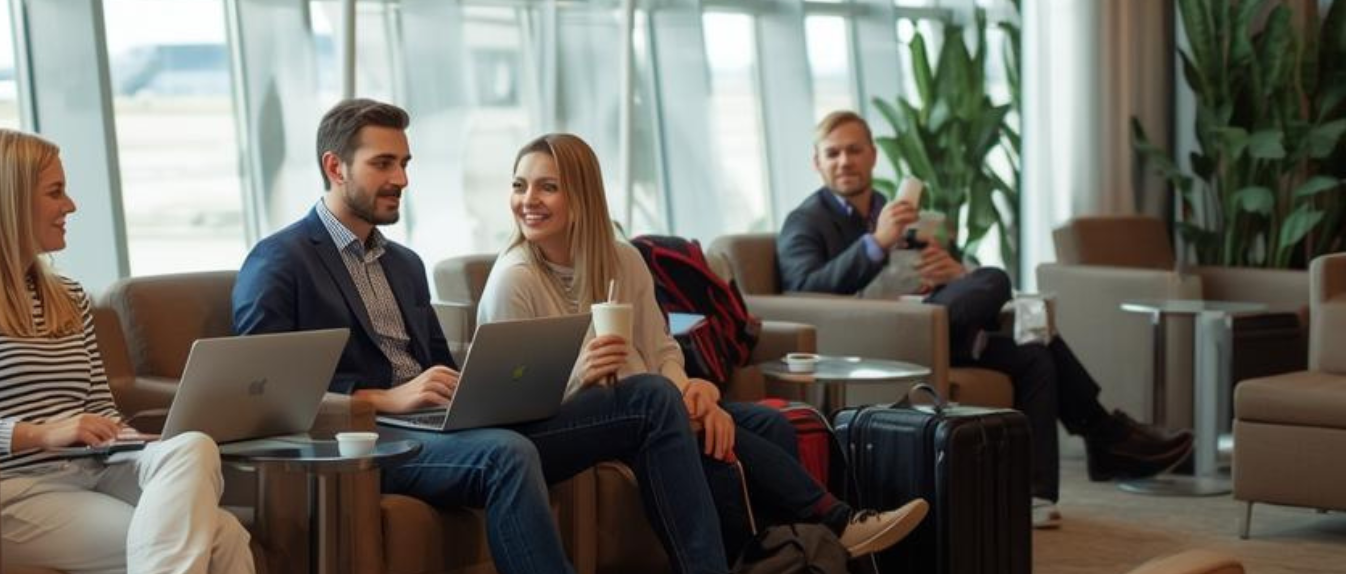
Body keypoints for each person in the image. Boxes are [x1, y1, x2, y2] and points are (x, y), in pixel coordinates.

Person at [233, 99, 730, 574]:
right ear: (335, 167)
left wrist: (483, 389)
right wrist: (383, 399)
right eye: (383, 163)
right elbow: (262, 399)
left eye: (405, 163)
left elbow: (434, 365)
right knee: (507, 454)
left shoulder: (404, 264)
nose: (401, 179)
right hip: (372, 439)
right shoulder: (281, 261)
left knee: (651, 396)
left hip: (444, 426)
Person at [478, 132, 927, 561]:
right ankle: (840, 521)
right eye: (520, 185)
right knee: (662, 405)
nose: (528, 200)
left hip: (646, 407)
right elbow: (509, 406)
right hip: (563, 424)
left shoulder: (622, 259)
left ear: (582, 196)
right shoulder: (515, 278)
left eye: (547, 187)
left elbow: (662, 349)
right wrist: (582, 375)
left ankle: (774, 557)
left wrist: (692, 393)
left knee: (768, 425)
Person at [780, 110, 1193, 529]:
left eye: (853, 150)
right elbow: (801, 288)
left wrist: (950, 272)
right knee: (995, 280)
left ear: (872, 155)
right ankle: (1105, 435)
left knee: (1034, 351)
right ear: (817, 162)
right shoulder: (806, 221)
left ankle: (1034, 495)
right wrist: (877, 243)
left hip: (930, 322)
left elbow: (915, 271)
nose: (844, 161)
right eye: (833, 153)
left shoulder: (893, 209)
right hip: (877, 340)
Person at [0, 128, 253, 574]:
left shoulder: (68, 296)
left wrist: (120, 436)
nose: (70, 206)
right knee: (222, 534)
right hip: (8, 489)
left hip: (87, 472)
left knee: (192, 446)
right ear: (8, 201)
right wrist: (37, 433)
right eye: (55, 192)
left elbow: (96, 407)